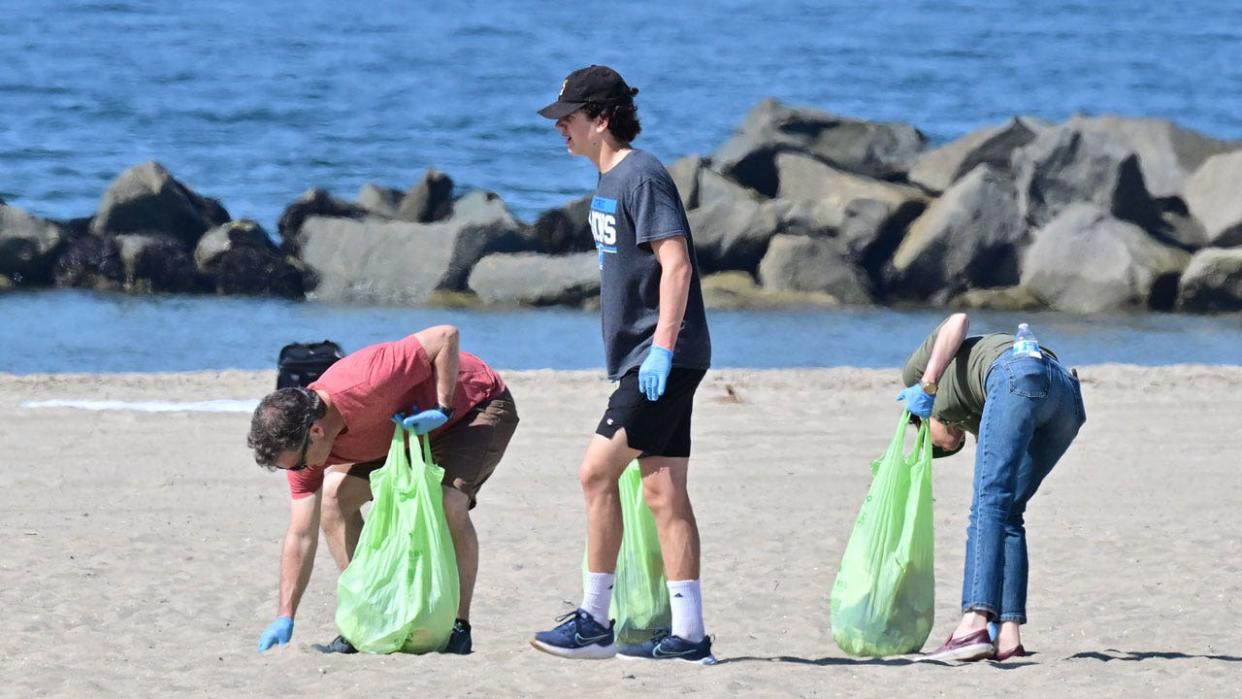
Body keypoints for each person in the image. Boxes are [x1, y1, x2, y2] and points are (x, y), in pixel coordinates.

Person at [529, 65, 716, 664]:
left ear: (601, 118)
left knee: (595, 473)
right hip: (655, 356)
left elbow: (677, 263)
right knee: (663, 492)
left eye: (569, 117)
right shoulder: (607, 181)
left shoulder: (641, 174)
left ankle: (593, 620)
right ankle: (689, 636)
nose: (561, 128)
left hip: (662, 357)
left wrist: (661, 348)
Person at [248, 325, 518, 655]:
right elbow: (301, 534)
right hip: (402, 432)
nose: (299, 472)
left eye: (297, 464)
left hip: (475, 406)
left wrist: (443, 408)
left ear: (316, 431)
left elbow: (445, 336)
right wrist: (285, 614)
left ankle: (459, 626)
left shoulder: (368, 379)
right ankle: (371, 611)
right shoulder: (303, 450)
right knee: (333, 499)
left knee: (449, 501)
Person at [898, 313, 1086, 662]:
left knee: (989, 502)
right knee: (1010, 511)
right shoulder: (969, 412)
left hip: (1015, 371)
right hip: (1064, 398)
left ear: (921, 422)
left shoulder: (917, 380)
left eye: (933, 444)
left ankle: (973, 623)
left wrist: (927, 383)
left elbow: (958, 320)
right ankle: (1008, 637)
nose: (944, 447)